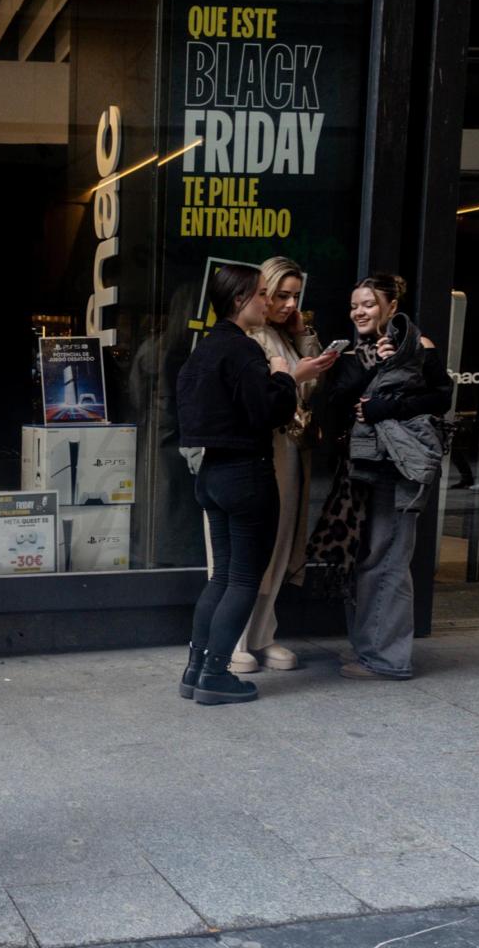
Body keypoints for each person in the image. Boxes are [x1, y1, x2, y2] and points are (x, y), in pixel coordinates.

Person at [175, 264, 333, 706]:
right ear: (240, 299)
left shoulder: (203, 351)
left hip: (212, 474)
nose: (270, 302)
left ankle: (195, 670)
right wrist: (284, 375)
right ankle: (215, 674)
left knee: (221, 577)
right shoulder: (244, 351)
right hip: (246, 473)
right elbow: (269, 411)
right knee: (244, 579)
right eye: (263, 294)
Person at [315, 273, 451, 680]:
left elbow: (441, 397)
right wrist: (369, 364)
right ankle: (371, 649)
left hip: (396, 469)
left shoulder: (417, 347)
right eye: (355, 304)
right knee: (367, 558)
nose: (359, 311)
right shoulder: (354, 354)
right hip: (359, 470)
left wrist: (386, 405)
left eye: (369, 304)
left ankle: (388, 659)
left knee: (389, 560)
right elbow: (337, 401)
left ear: (392, 307)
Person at [230, 257, 329, 674]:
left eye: (296, 296)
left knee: (281, 542)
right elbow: (258, 398)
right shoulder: (244, 338)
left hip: (289, 451)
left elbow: (313, 384)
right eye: (282, 295)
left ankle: (262, 634)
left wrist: (302, 337)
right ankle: (234, 638)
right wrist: (296, 375)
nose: (290, 304)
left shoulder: (281, 334)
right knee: (247, 547)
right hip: (257, 452)